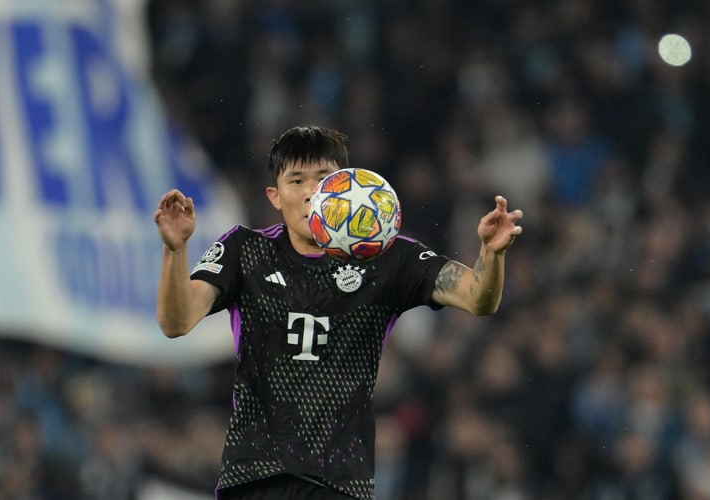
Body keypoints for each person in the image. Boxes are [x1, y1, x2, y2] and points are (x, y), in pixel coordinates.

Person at [154, 125, 523, 500]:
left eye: (325, 179)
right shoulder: (244, 250)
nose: (312, 191)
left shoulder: (390, 257)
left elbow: (479, 299)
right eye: (296, 180)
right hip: (255, 474)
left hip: (340, 481)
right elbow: (175, 322)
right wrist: (175, 250)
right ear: (275, 196)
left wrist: (492, 255)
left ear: (348, 185)